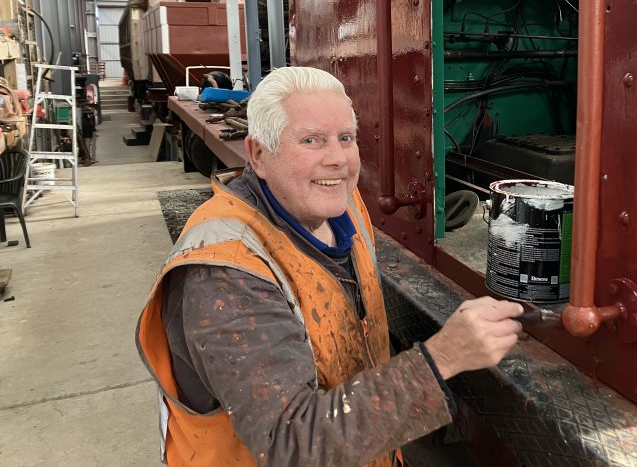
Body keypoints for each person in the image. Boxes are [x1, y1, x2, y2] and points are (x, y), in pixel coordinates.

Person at [136, 66, 524, 466]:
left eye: (346, 138)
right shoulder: (225, 273)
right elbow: (291, 445)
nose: (338, 159)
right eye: (311, 141)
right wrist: (443, 357)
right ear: (259, 154)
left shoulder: (345, 210)